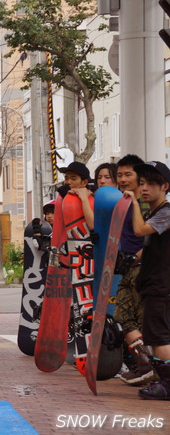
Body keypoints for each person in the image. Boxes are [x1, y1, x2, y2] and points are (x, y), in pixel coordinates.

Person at [125, 161, 170, 400]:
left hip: (161, 286)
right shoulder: (157, 212)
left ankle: (167, 384)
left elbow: (140, 231)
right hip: (155, 284)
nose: (144, 189)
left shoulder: (166, 212)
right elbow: (150, 245)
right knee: (157, 335)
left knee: (159, 337)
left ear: (165, 186)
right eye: (141, 183)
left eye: (151, 184)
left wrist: (132, 203)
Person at [114, 154, 153, 385]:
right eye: (120, 175)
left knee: (144, 321)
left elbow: (150, 239)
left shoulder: (147, 203)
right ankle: (145, 364)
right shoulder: (123, 202)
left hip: (144, 270)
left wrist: (136, 258)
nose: (123, 179)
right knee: (122, 316)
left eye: (128, 174)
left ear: (140, 177)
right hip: (126, 268)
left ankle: (152, 368)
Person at [59, 161, 94, 230]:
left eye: (73, 179)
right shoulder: (62, 196)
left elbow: (92, 226)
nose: (68, 182)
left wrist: (84, 199)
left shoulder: (93, 200)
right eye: (66, 178)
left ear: (84, 182)